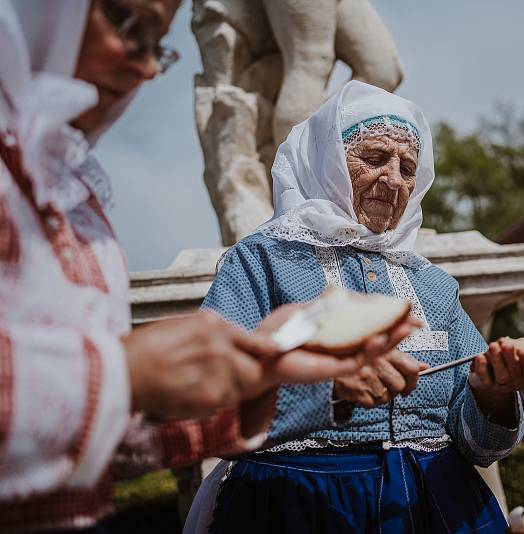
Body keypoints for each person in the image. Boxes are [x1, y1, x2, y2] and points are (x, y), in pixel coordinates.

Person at [0, 2, 416, 531]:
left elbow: (97, 445)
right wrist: (123, 375)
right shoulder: (260, 256)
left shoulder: (75, 200)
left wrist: (262, 377)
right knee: (308, 60)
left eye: (157, 45)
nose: (148, 68)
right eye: (128, 24)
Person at [184, 80, 524, 534]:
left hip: (437, 505)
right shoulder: (261, 260)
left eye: (407, 168)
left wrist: (493, 390)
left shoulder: (432, 283)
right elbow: (208, 401)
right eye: (375, 158)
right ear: (327, 161)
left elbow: (482, 448)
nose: (394, 179)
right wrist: (326, 388)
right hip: (298, 506)